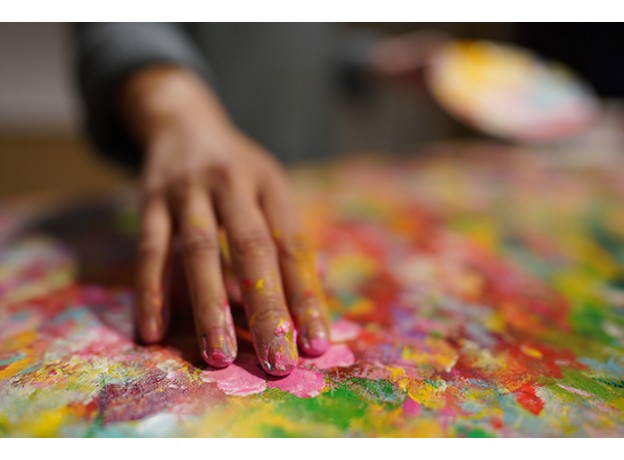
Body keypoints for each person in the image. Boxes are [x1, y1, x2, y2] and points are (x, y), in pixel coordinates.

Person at [74, 23, 446, 376]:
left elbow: (297, 40)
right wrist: (173, 105)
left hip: (301, 192)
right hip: (197, 187)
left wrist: (373, 59)